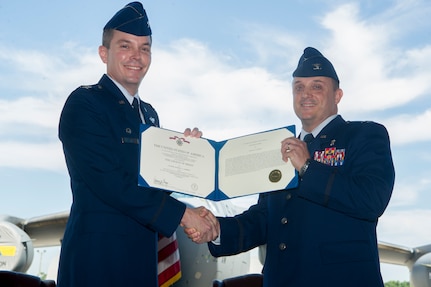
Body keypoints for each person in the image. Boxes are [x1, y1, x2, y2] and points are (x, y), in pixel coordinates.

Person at [187, 47, 395, 287]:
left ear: (337, 95)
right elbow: (263, 220)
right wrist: (217, 229)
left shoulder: (364, 135)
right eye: (298, 87)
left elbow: (371, 200)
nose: (306, 94)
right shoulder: (279, 149)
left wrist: (308, 168)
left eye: (317, 86)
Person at [57, 2, 218, 287]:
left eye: (144, 48)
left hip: (142, 261)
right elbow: (111, 182)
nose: (136, 56)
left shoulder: (149, 114)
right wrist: (183, 214)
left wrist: (187, 158)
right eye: (125, 46)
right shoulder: (85, 103)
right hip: (97, 262)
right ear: (103, 53)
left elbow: (150, 182)